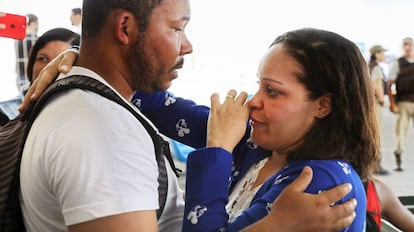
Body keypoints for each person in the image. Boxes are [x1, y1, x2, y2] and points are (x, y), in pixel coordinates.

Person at [21, 27, 361, 231]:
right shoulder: (258, 146)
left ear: (323, 105)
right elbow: (155, 103)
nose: (254, 101)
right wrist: (81, 57)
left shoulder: (319, 184)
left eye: (273, 92)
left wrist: (218, 150)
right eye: (259, 87)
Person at [0, 27, 80, 121]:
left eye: (60, 60)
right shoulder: (5, 111)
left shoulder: (82, 111)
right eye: (42, 59)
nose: (49, 68)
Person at [387, 37, 414, 171]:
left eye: (409, 45)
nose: (407, 47)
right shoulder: (398, 63)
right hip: (403, 102)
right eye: (405, 45)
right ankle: (398, 158)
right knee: (401, 132)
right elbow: (390, 84)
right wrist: (392, 103)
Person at [368, 44, 390, 175]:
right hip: (377, 103)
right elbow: (378, 86)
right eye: (382, 52)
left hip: (371, 103)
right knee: (377, 133)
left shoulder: (368, 66)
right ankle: (377, 164)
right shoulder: (376, 68)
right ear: (376, 54)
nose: (384, 55)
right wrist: (382, 100)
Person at [15, 13, 38, 92]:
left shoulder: (17, 39)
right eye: (36, 23)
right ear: (32, 23)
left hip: (20, 73)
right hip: (31, 74)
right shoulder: (36, 39)